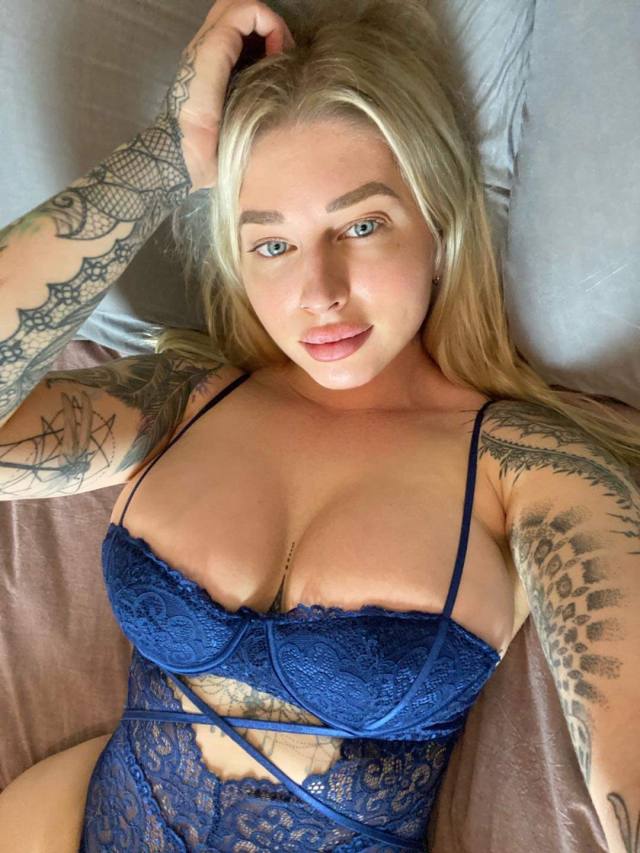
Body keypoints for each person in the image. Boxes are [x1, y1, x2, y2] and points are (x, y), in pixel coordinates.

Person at [0, 0, 638, 850]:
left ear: (439, 220)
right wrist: (168, 153)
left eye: (362, 225)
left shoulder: (534, 469)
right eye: (272, 244)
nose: (319, 294)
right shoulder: (183, 401)